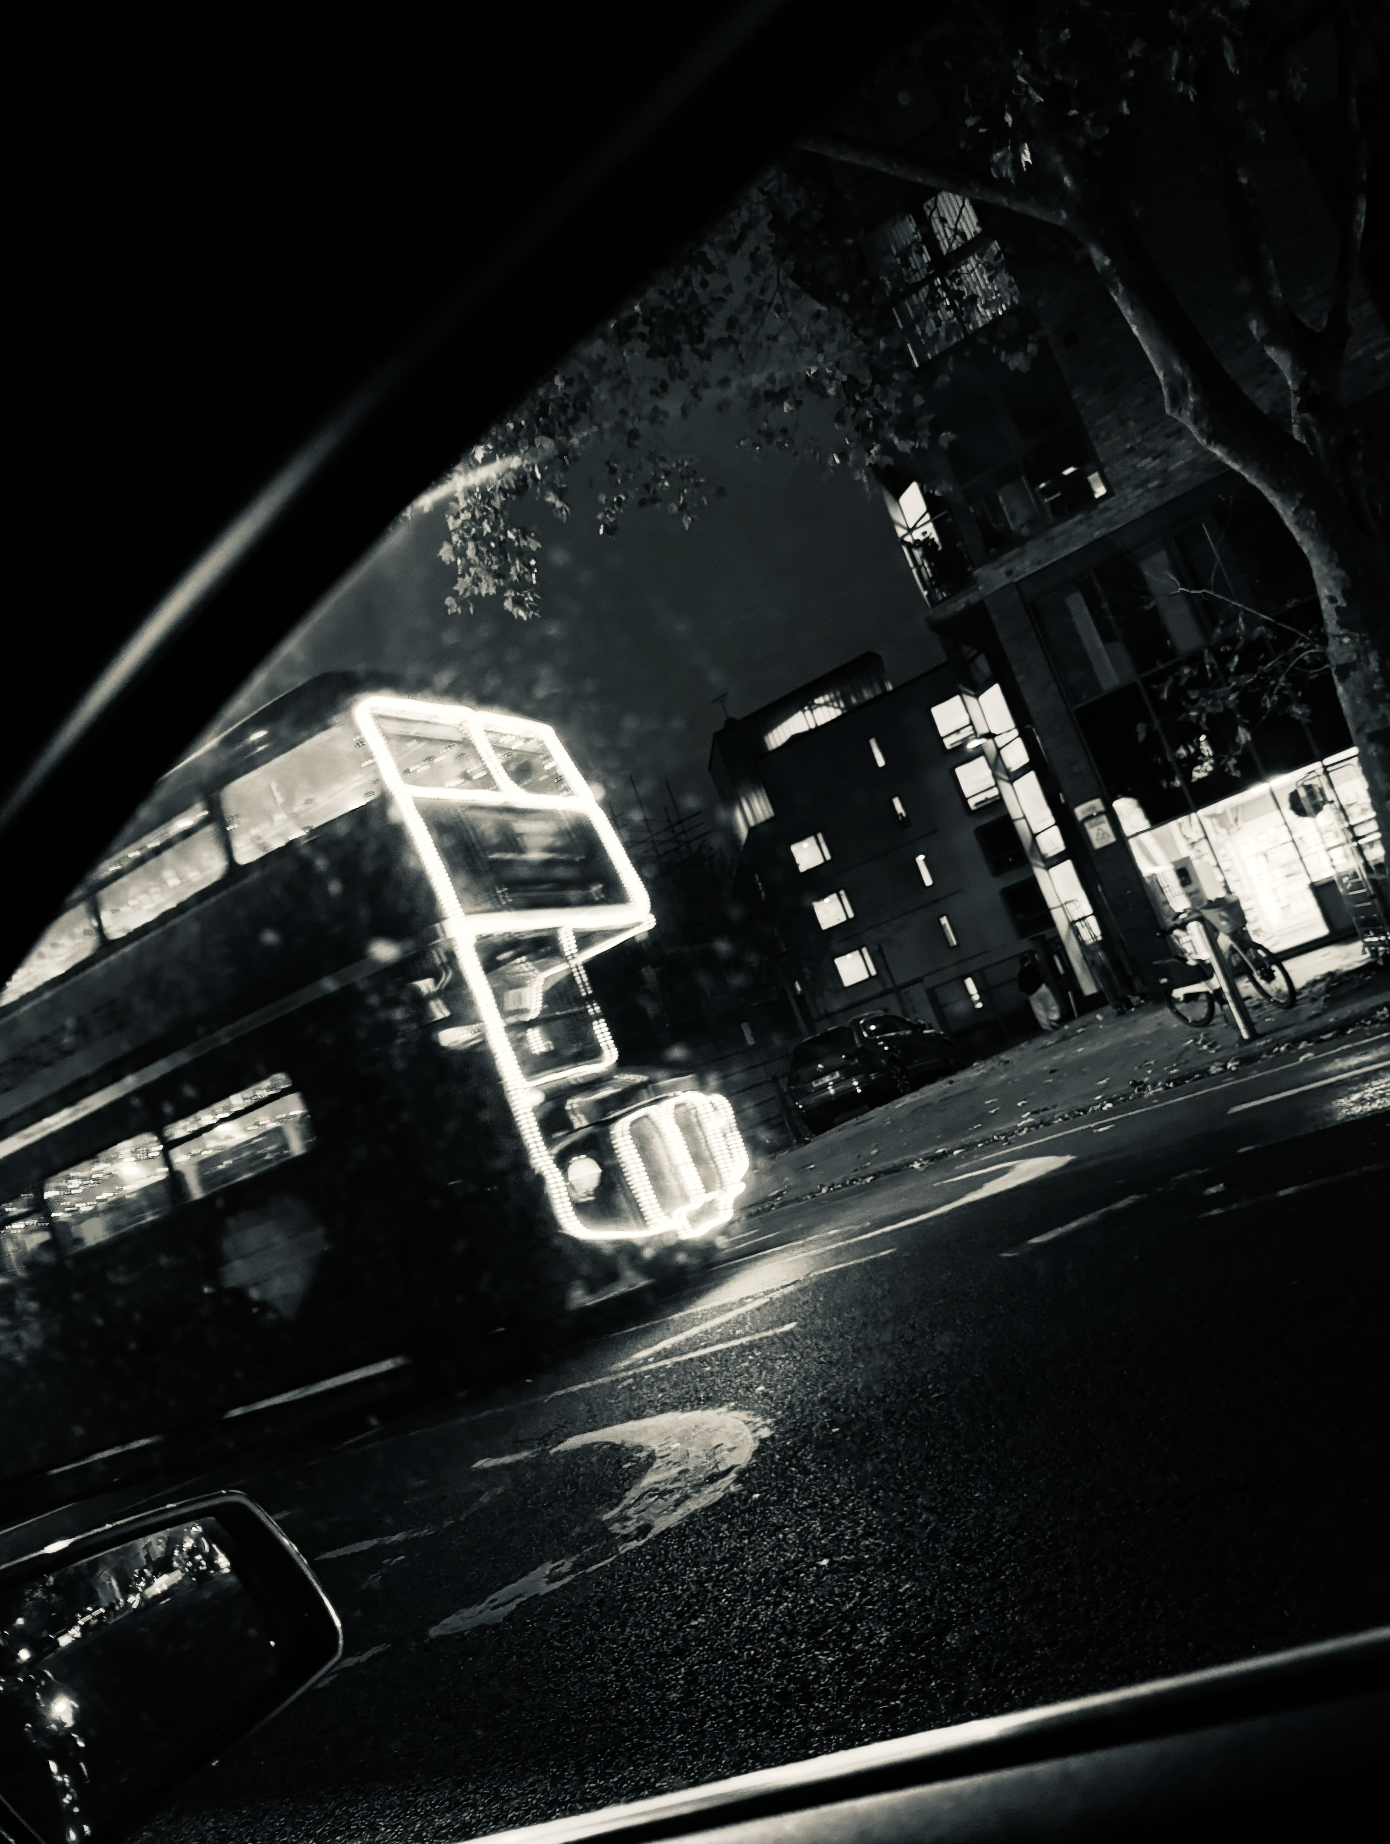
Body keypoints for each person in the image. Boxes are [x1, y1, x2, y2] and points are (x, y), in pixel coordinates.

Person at [1018, 952, 1063, 1032]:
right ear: (1028, 960)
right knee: (1050, 1004)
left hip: (1032, 994)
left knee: (1039, 1010)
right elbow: (1042, 975)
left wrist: (1027, 989)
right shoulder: (1034, 967)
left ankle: (1047, 1026)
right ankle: (1053, 1019)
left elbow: (1021, 987)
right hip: (1041, 988)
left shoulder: (1020, 974)